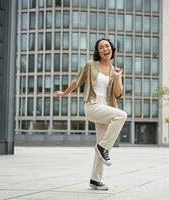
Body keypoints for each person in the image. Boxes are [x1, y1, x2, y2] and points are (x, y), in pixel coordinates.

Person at [54, 38, 127, 191]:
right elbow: (76, 81)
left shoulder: (115, 70)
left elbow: (118, 94)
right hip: (93, 106)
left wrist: (118, 77)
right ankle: (103, 148)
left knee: (101, 146)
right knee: (121, 116)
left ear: (112, 49)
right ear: (98, 51)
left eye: (107, 46)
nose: (105, 49)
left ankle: (95, 180)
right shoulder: (90, 65)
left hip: (106, 108)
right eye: (101, 47)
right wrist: (64, 93)